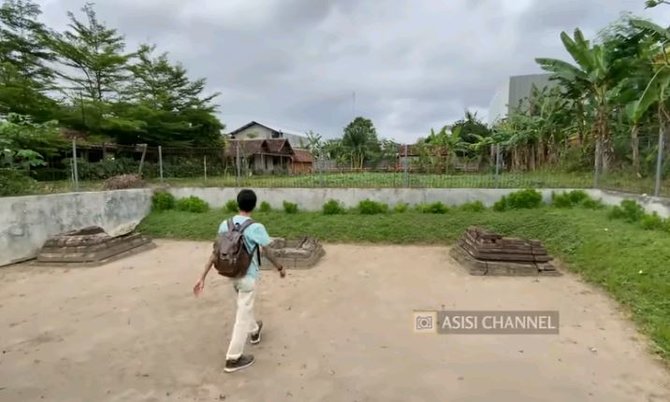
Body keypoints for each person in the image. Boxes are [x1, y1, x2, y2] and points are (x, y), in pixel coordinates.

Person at [193, 189, 286, 373]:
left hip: (231, 274)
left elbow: (215, 253)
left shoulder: (224, 224)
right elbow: (268, 251)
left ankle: (254, 331)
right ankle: (233, 358)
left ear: (237, 204)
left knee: (245, 306)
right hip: (247, 278)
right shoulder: (256, 227)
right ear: (254, 206)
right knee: (242, 315)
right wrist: (280, 268)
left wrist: (202, 277)